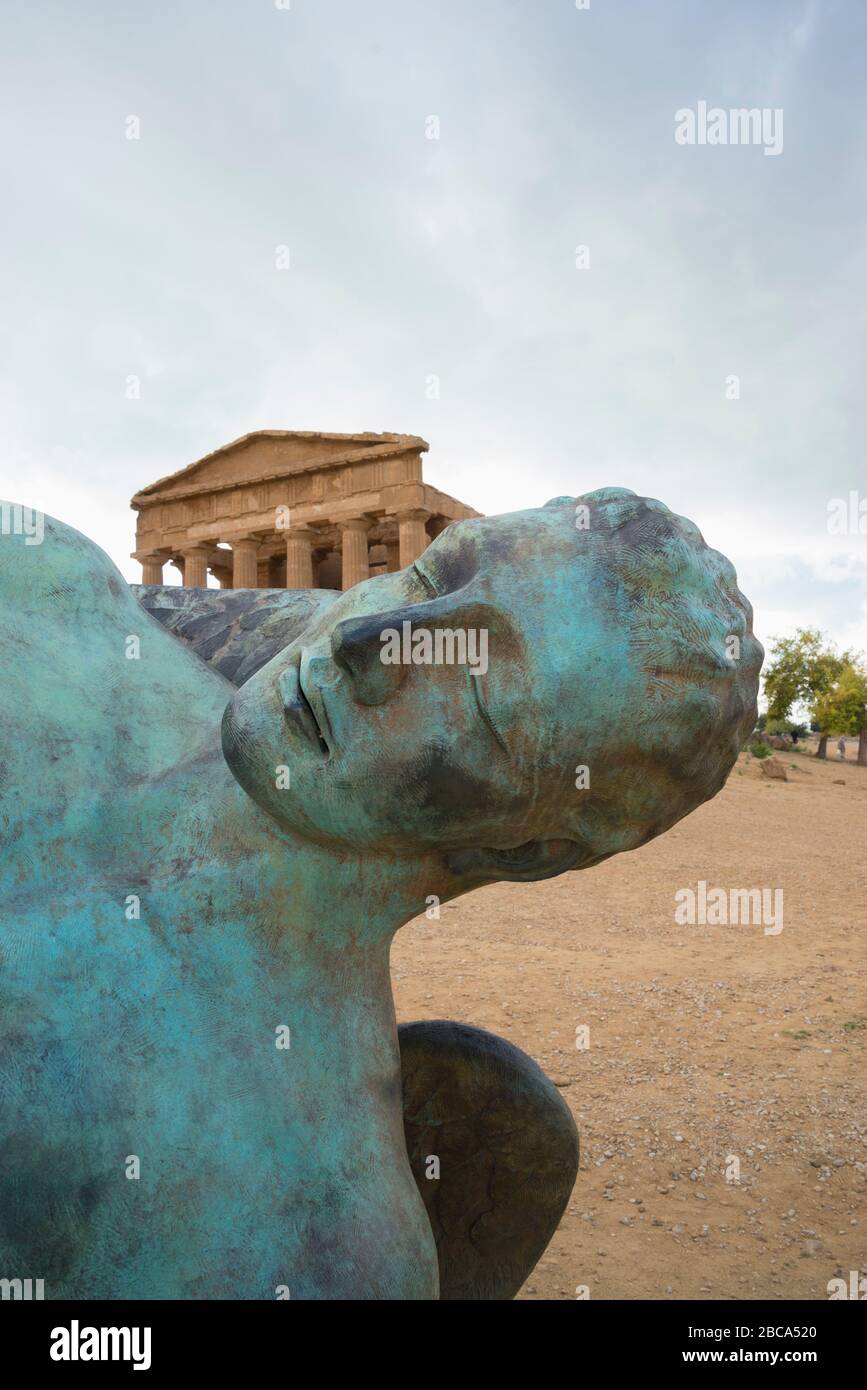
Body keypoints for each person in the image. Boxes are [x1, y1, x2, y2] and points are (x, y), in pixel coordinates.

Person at [0, 487, 762, 1299]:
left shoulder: (299, 1239)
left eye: (479, 698)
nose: (367, 643)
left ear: (532, 849)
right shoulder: (40, 577)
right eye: (432, 578)